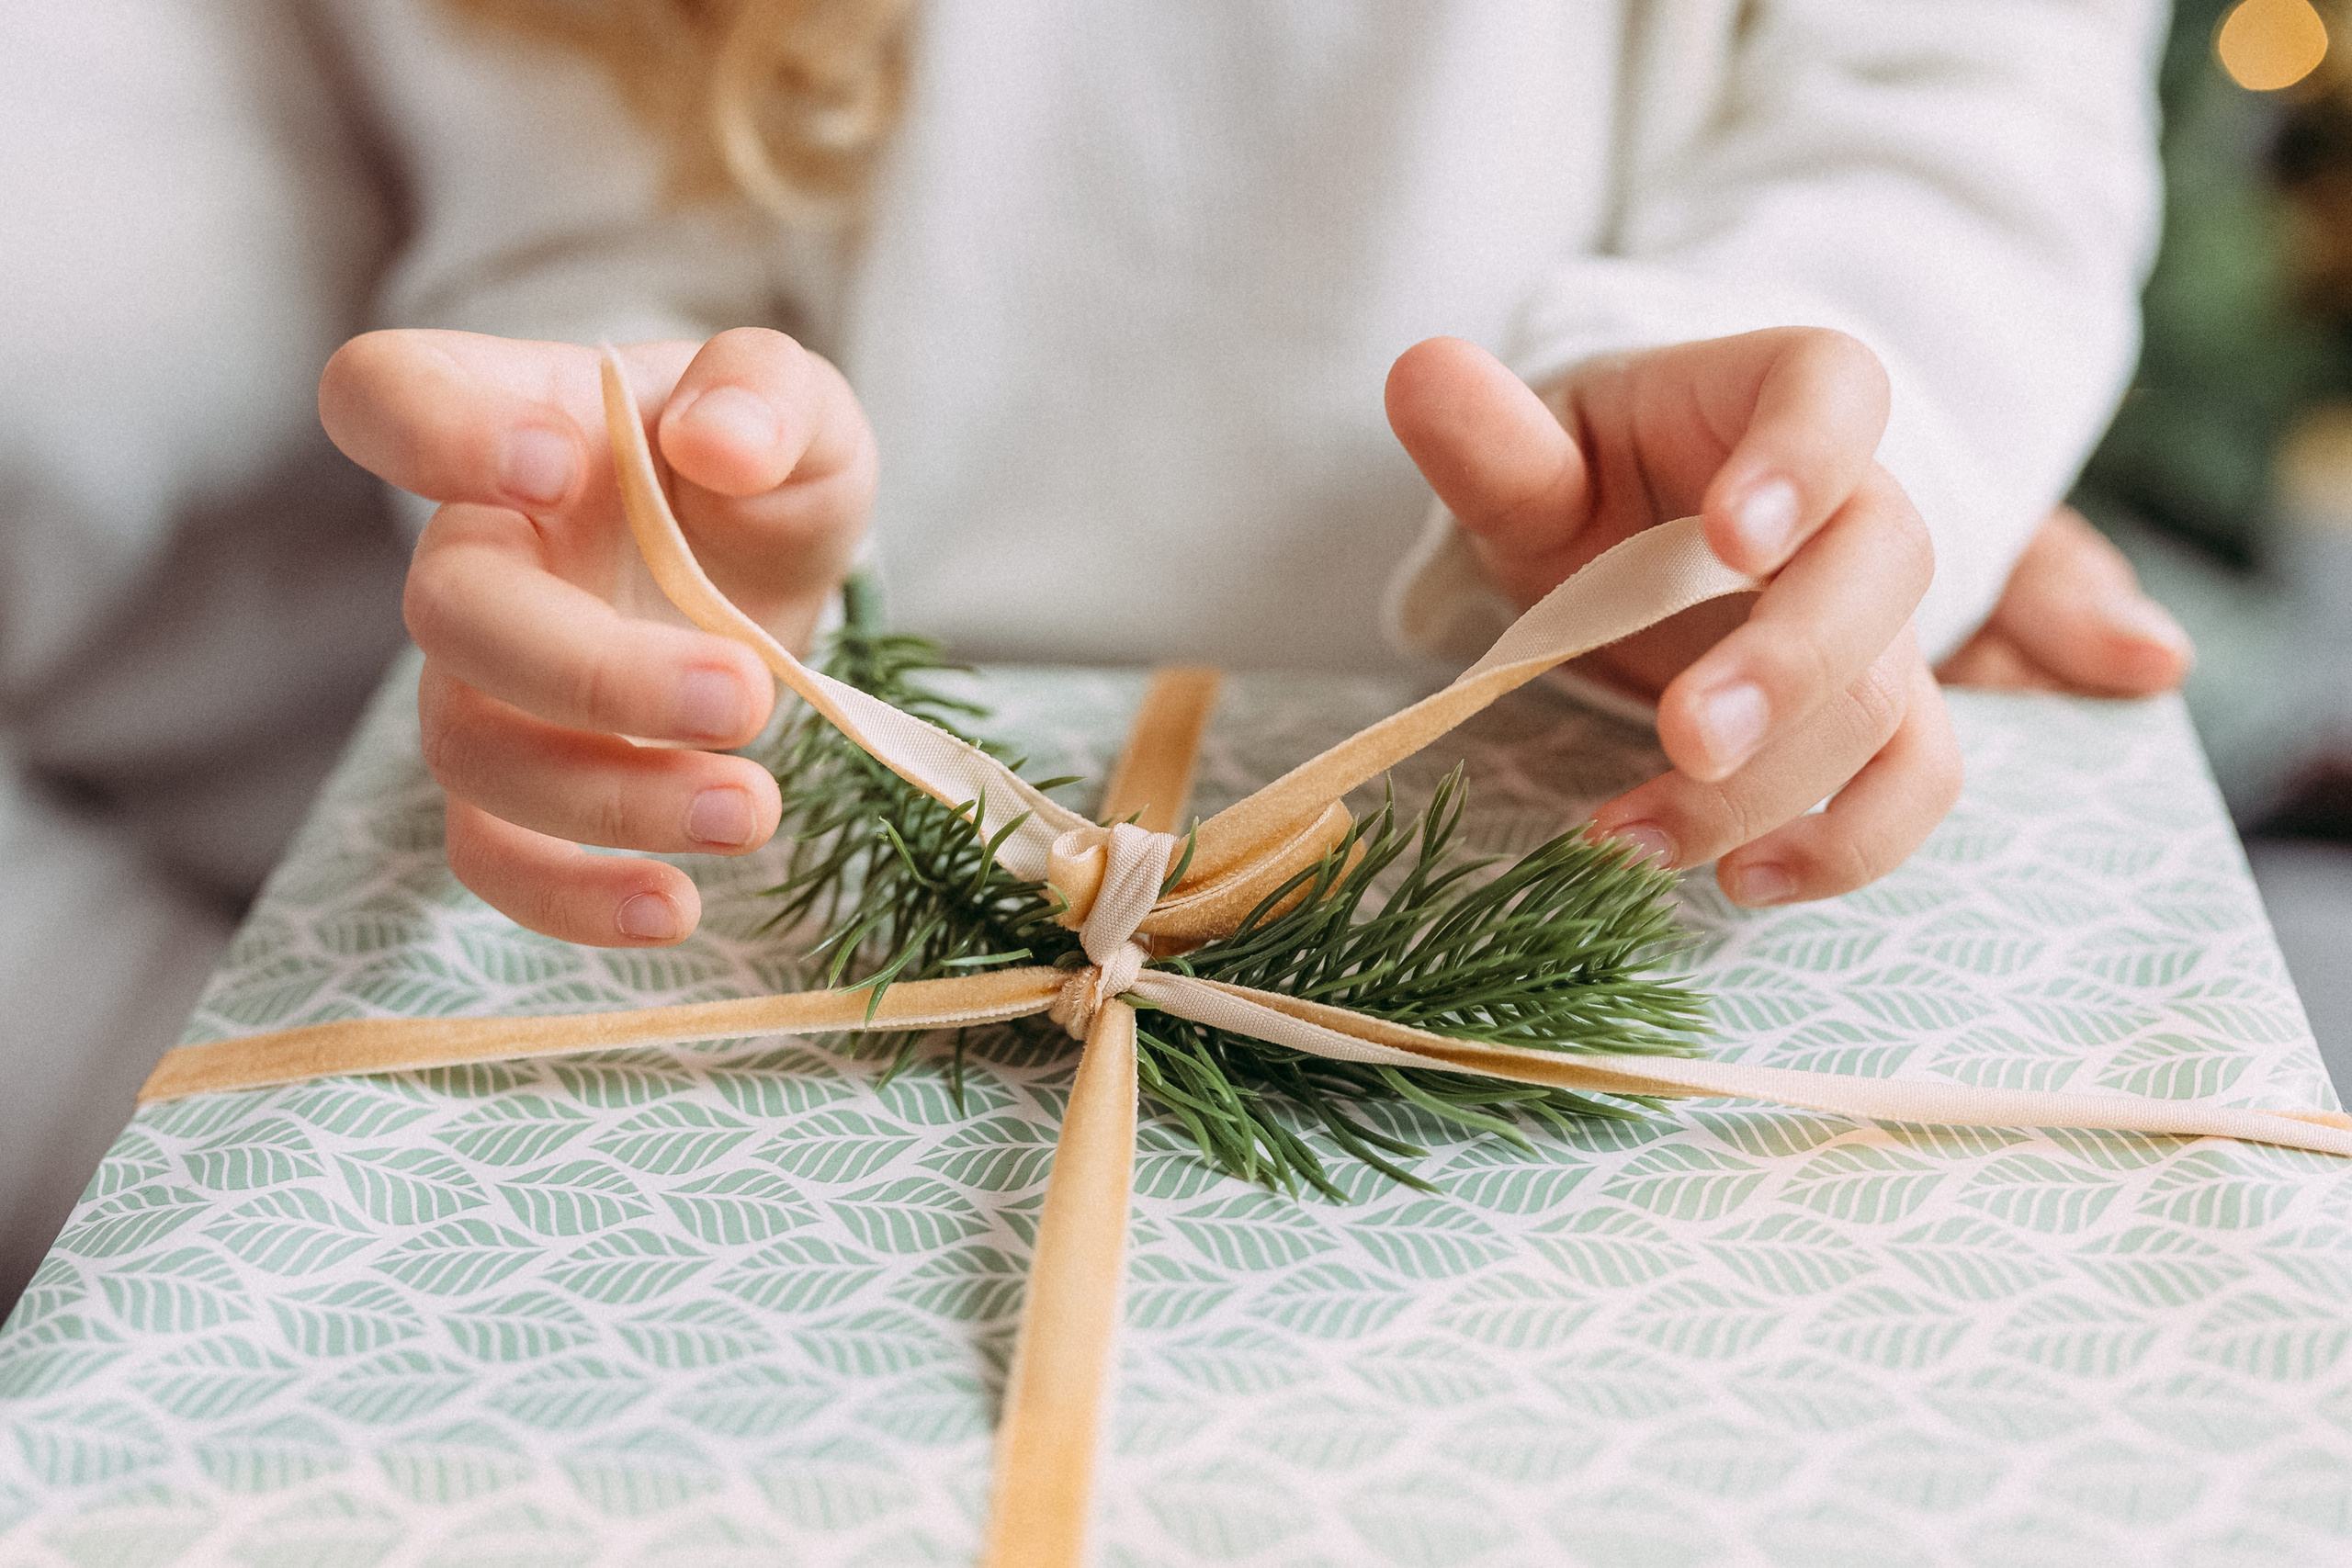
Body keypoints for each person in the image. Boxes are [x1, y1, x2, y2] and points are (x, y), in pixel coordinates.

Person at [314, 0, 2194, 951]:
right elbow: (570, 234)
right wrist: (672, 516)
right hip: (840, 787)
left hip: (1594, 790)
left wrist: (1832, 433)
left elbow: (1953, 115)